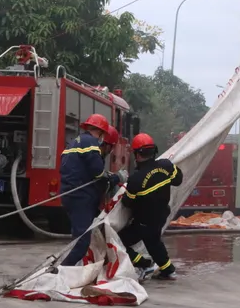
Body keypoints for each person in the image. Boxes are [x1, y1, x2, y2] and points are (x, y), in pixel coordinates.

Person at [119, 133, 183, 280]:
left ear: (137, 155)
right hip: (161, 216)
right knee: (153, 242)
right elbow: (178, 180)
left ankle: (144, 264)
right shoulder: (166, 166)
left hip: (144, 222)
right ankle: (168, 270)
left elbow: (126, 203)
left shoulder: (136, 179)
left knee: (118, 242)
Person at [58, 113, 119, 267]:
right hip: (81, 197)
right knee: (82, 243)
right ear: (101, 132)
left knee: (78, 237)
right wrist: (115, 178)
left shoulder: (73, 143)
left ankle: (71, 269)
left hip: (69, 195)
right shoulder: (91, 143)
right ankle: (60, 272)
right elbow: (98, 173)